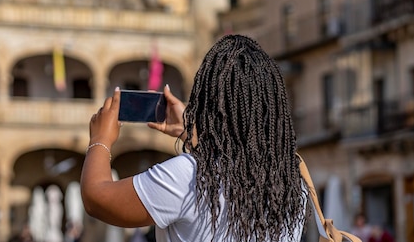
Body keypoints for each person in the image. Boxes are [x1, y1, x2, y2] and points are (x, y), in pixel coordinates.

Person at [81, 34, 308, 242]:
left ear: (207, 104)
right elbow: (230, 167)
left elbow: (95, 198)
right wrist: (194, 135)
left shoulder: (188, 177)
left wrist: (100, 139)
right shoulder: (293, 184)